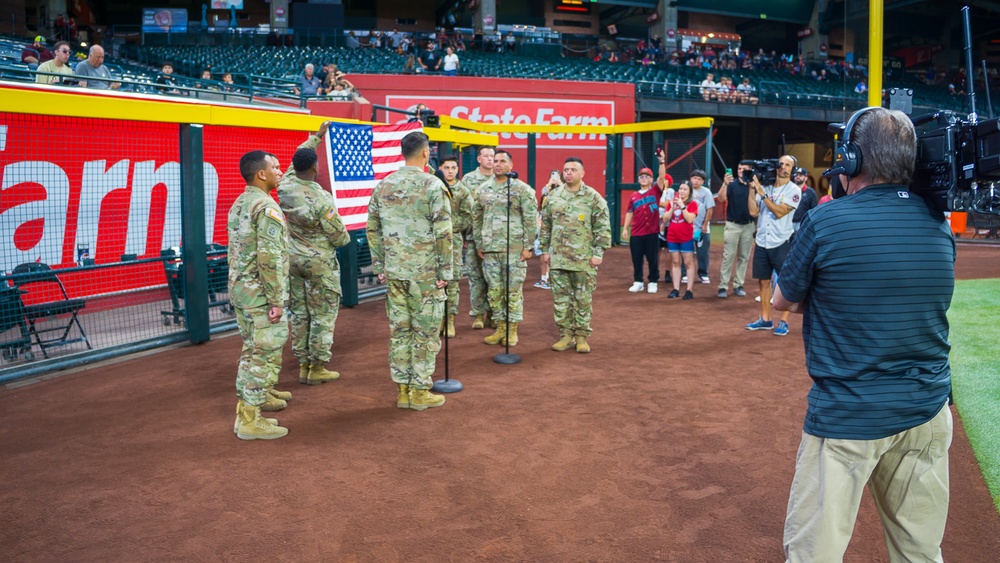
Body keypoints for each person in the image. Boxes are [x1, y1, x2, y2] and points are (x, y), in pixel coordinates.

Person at [774, 107, 955, 562]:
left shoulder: (826, 221)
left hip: (849, 417)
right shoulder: (939, 226)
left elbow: (783, 300)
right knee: (919, 550)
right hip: (927, 410)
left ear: (851, 160)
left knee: (814, 553)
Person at [366, 131, 453, 411]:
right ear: (426, 153)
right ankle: (419, 391)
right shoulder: (432, 185)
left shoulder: (383, 185)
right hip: (425, 273)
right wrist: (446, 271)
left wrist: (379, 265)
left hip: (394, 272)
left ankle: (402, 390)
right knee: (426, 332)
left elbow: (372, 229)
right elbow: (444, 232)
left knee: (400, 330)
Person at [277, 122, 351, 387]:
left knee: (299, 312)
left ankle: (303, 363)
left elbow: (297, 158)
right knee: (322, 313)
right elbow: (341, 238)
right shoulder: (322, 199)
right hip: (319, 263)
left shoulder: (284, 187)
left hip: (293, 259)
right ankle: (317, 366)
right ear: (315, 168)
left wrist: (316, 137)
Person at [228, 150, 290, 440]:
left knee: (251, 351)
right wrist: (277, 300)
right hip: (260, 294)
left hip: (241, 290)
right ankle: (250, 421)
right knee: (261, 355)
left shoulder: (241, 202)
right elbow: (270, 258)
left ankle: (248, 411)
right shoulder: (266, 207)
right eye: (275, 167)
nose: (280, 171)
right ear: (261, 174)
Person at [539, 157, 612, 353]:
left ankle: (581, 336)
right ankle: (565, 335)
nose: (568, 173)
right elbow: (545, 225)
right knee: (561, 300)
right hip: (559, 259)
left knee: (583, 299)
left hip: (583, 260)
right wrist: (544, 250)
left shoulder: (593, 197)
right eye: (566, 170)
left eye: (573, 169)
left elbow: (603, 228)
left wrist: (598, 253)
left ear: (582, 173)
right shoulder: (553, 197)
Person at [472, 150, 537, 346]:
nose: (497, 164)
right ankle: (500, 327)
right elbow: (476, 217)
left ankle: (512, 330)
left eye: (502, 161)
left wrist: (528, 246)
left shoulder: (522, 189)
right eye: (496, 161)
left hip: (514, 250)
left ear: (511, 165)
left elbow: (530, 219)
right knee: (494, 291)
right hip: (491, 250)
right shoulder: (483, 189)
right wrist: (479, 243)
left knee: (513, 291)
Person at [745, 155, 799, 336]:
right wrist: (752, 190)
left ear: (792, 170)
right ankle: (766, 319)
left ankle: (784, 321)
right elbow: (753, 211)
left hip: (781, 241)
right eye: (781, 164)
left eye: (787, 165)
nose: (783, 167)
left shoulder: (793, 190)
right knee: (763, 281)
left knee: (785, 282)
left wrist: (762, 193)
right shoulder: (766, 186)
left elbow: (779, 212)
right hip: (762, 241)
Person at [436, 155, 473, 338]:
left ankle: (450, 319)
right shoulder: (434, 187)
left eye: (453, 167)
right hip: (433, 242)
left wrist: (451, 226)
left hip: (454, 241)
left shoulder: (463, 191)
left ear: (458, 170)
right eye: (446, 167)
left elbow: (469, 216)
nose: (450, 171)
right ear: (440, 168)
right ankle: (437, 319)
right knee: (435, 281)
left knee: (452, 281)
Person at [462, 146, 495, 329]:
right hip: (474, 237)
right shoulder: (469, 179)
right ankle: (478, 315)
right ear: (479, 159)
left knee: (494, 277)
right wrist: (468, 234)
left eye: (492, 156)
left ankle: (492, 313)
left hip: (494, 239)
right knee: (475, 277)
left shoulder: (500, 180)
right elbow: (466, 209)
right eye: (486, 156)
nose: (490, 159)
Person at [621, 159, 667, 294]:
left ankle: (653, 281)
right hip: (636, 232)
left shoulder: (655, 191)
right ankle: (638, 281)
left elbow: (662, 176)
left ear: (651, 179)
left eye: (647, 176)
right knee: (637, 258)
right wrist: (625, 228)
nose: (643, 178)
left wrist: (661, 162)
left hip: (652, 232)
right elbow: (630, 212)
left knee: (652, 258)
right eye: (641, 176)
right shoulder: (634, 196)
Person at [716, 161, 755, 298]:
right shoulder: (732, 185)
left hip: (749, 225)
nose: (740, 171)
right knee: (728, 256)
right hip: (733, 225)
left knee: (744, 258)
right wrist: (724, 183)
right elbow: (721, 198)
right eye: (739, 168)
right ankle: (723, 286)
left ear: (750, 171)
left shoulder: (754, 186)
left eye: (744, 169)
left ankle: (738, 284)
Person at [663, 182, 699, 299]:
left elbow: (689, 219)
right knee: (675, 262)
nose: (682, 191)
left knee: (688, 263)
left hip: (686, 237)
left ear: (689, 192)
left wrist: (682, 206)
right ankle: (676, 288)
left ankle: (689, 290)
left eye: (685, 189)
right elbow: (665, 219)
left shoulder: (692, 204)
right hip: (673, 237)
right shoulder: (672, 203)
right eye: (680, 189)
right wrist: (672, 207)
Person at [534, 170, 560, 290]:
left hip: (557, 227)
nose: (554, 178)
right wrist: (549, 184)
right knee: (542, 254)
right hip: (543, 226)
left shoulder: (564, 190)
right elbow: (543, 196)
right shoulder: (546, 191)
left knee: (553, 255)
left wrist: (559, 183)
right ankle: (544, 278)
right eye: (552, 176)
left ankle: (554, 279)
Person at [688, 169, 715, 284]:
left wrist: (705, 224)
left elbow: (709, 209)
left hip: (701, 227)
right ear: (691, 179)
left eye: (699, 179)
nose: (696, 181)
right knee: (686, 251)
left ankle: (703, 274)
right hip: (687, 227)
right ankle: (685, 273)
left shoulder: (706, 192)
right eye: (694, 178)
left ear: (703, 181)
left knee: (702, 252)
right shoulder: (686, 190)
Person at [790, 167, 818, 231]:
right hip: (789, 221)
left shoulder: (810, 192)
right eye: (796, 175)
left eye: (800, 175)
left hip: (802, 223)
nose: (798, 176)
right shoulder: (789, 190)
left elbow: (814, 210)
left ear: (806, 178)